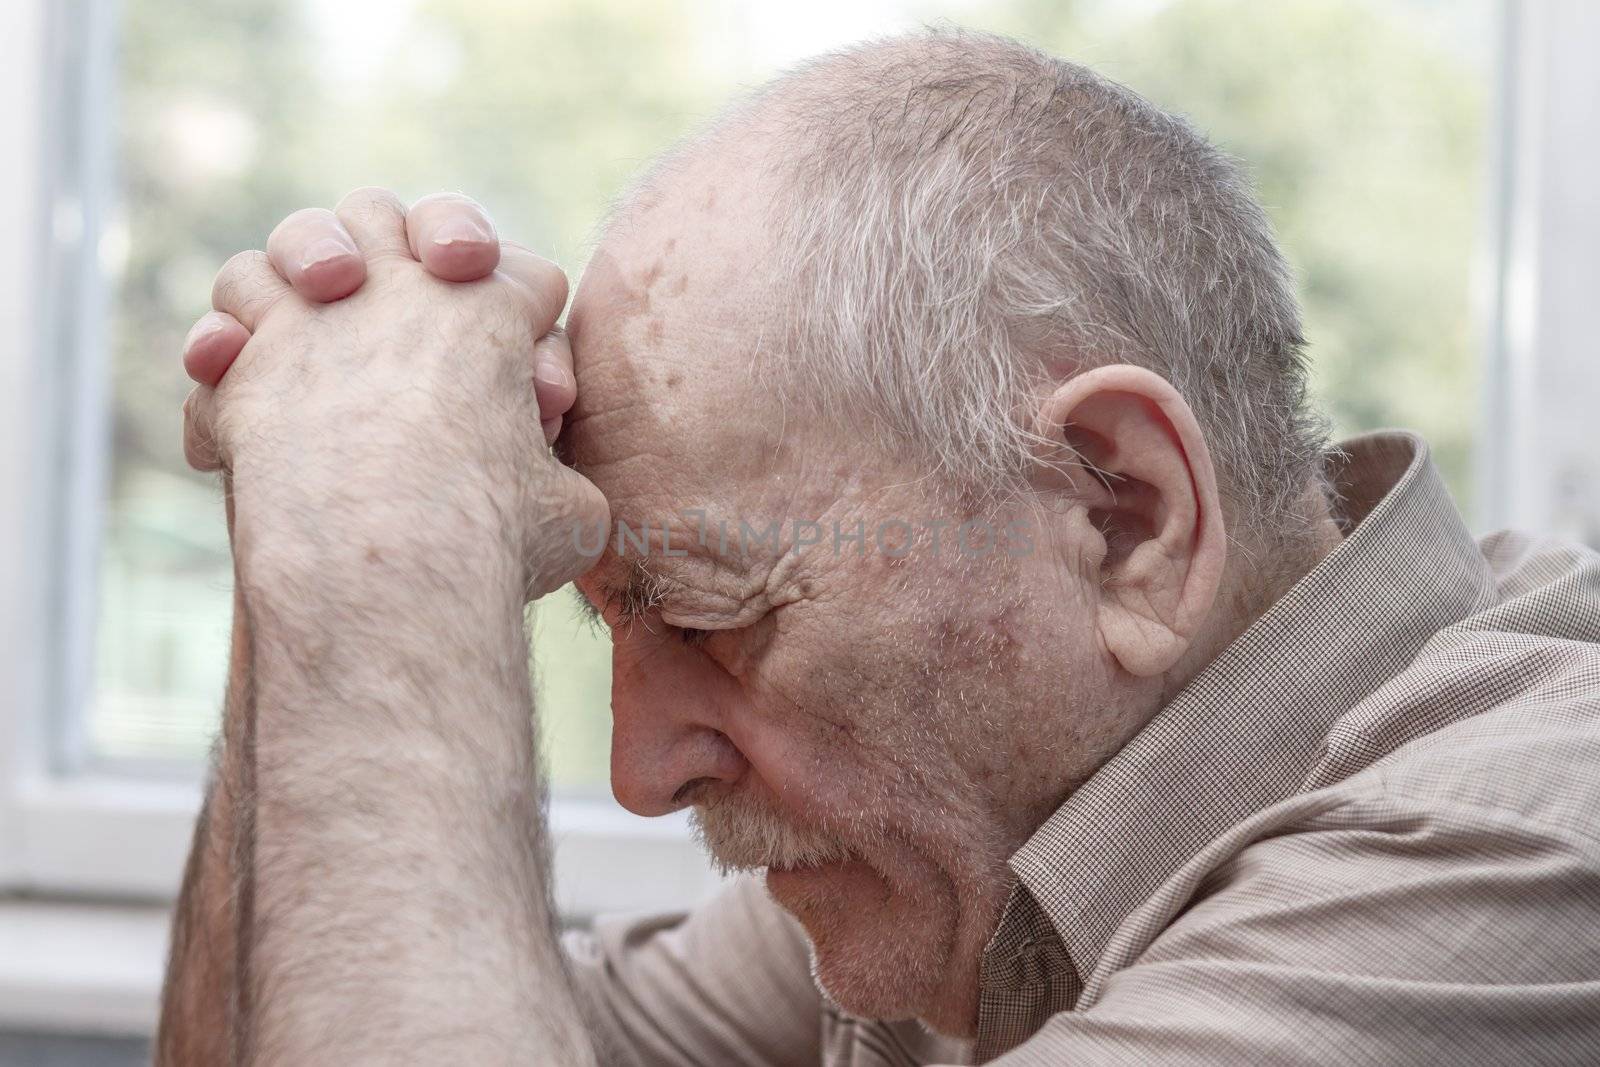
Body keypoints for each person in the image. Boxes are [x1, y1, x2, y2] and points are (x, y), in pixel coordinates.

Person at [157, 29, 1600, 1066]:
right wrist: (311, 502)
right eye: (615, 624)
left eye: (716, 618)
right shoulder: (968, 841)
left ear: (1124, 517)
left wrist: (383, 543)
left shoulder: (1523, 844)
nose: (644, 775)